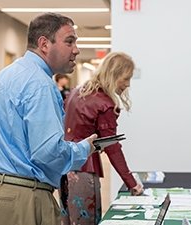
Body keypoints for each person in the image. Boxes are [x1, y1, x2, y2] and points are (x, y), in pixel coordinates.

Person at [0, 13, 98, 225]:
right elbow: (48, 152)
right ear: (44, 44)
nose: (76, 50)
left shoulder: (4, 76)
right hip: (24, 195)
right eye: (69, 41)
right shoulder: (40, 84)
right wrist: (84, 149)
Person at [59, 52, 143, 225]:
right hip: (83, 171)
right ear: (114, 74)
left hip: (64, 170)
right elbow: (112, 147)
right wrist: (131, 183)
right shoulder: (104, 103)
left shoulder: (78, 91)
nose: (127, 85)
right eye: (125, 79)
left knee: (67, 221)